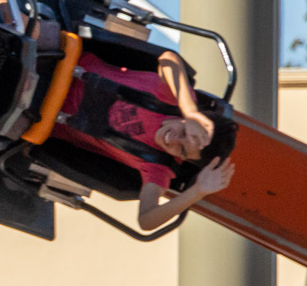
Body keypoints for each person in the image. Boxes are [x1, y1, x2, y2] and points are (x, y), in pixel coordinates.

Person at [47, 49, 238, 230]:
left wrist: (197, 191)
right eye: (183, 133)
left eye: (181, 150)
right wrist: (190, 110)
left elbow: (147, 220)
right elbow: (168, 59)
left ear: (184, 159)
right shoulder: (172, 99)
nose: (171, 139)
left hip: (42, 113)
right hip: (60, 58)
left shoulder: (158, 167)